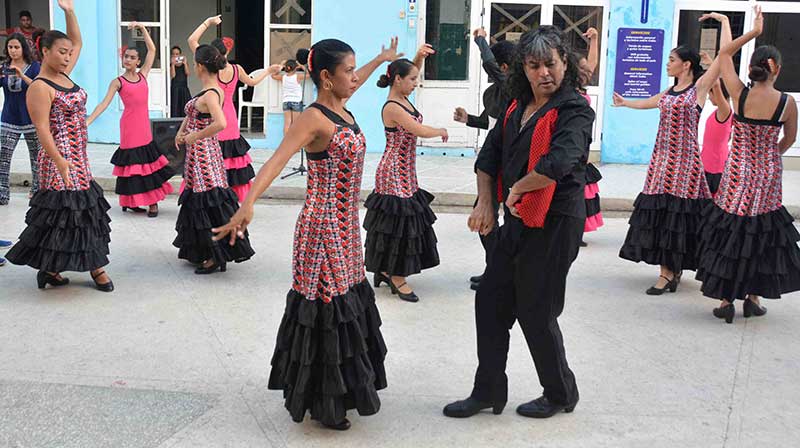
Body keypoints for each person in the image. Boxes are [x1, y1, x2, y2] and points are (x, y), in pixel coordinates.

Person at [212, 37, 401, 431]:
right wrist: (247, 204)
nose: (356, 77)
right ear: (327, 78)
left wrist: (379, 58)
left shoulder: (341, 107)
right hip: (321, 228)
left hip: (347, 227)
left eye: (354, 70)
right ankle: (322, 401)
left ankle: (345, 388)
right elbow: (277, 159)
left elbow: (358, 80)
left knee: (348, 303)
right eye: (348, 71)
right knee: (327, 310)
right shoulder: (313, 118)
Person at [443, 26, 594, 420]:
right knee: (490, 301)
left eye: (551, 64)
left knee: (535, 310)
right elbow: (488, 158)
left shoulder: (575, 109)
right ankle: (488, 390)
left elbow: (558, 163)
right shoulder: (515, 107)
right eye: (534, 65)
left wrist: (516, 190)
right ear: (523, 69)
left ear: (565, 64)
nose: (544, 73)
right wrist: (486, 203)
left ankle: (561, 391)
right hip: (516, 219)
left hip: (556, 221)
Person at [696, 6, 800, 323]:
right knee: (760, 235)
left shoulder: (738, 94)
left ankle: (726, 300)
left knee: (732, 232)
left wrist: (752, 33)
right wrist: (771, 156)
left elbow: (724, 55)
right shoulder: (787, 102)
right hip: (767, 176)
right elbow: (790, 140)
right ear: (777, 69)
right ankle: (753, 298)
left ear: (753, 69)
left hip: (736, 174)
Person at [614, 13, 730, 295]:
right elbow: (650, 103)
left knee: (679, 219)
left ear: (686, 64)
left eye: (671, 60)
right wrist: (625, 103)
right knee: (664, 217)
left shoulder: (699, 88)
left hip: (686, 165)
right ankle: (669, 271)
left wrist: (724, 22)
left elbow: (725, 56)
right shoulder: (669, 91)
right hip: (661, 163)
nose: (667, 64)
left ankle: (668, 274)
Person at [5, 0, 114, 293]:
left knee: (81, 211)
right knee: (68, 214)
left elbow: (77, 41)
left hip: (79, 156)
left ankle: (51, 269)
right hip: (57, 159)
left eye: (68, 54)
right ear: (44, 52)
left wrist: (69, 11)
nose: (67, 57)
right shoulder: (41, 86)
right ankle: (95, 268)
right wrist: (61, 161)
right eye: (61, 52)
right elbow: (41, 130)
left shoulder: (64, 75)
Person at [366, 54, 447, 302]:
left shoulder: (402, 97)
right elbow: (417, 130)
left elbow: (404, 71)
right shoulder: (392, 106)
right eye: (412, 79)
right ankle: (396, 276)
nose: (416, 83)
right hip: (393, 172)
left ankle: (384, 269)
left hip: (406, 170)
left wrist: (419, 58)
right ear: (398, 80)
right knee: (401, 224)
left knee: (401, 222)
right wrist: (441, 131)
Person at [172, 44, 254, 274]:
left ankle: (216, 255)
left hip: (204, 155)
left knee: (208, 202)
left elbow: (221, 123)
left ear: (199, 66)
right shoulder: (209, 90)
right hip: (199, 156)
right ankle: (202, 250)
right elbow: (192, 114)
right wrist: (182, 132)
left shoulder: (211, 93)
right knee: (201, 201)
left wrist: (194, 136)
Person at [188, 16, 281, 202]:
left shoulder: (212, 68)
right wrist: (269, 71)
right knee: (231, 159)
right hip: (230, 115)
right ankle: (232, 197)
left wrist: (208, 22)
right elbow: (253, 81)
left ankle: (213, 194)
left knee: (212, 156)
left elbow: (192, 40)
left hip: (213, 114)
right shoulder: (236, 69)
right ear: (227, 50)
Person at [87, 23, 174, 217]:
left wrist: (143, 29)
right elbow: (103, 104)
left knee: (147, 164)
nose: (128, 59)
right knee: (133, 168)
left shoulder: (143, 75)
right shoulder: (118, 82)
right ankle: (134, 201)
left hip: (143, 127)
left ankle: (152, 203)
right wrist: (87, 122)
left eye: (132, 57)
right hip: (128, 128)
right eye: (126, 56)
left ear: (138, 61)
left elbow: (152, 49)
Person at [452, 28, 514, 292]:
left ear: (502, 67)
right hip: (491, 165)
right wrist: (468, 119)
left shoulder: (514, 88)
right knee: (485, 221)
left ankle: (502, 273)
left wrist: (480, 41)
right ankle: (496, 270)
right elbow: (490, 122)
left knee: (500, 221)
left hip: (509, 164)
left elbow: (490, 65)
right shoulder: (494, 93)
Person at [0, 33, 41, 204]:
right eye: (10, 47)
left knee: (36, 157)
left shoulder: (34, 67)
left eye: (16, 47)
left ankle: (37, 192)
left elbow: (39, 87)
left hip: (31, 118)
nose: (13, 51)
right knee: (3, 156)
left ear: (23, 48)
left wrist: (21, 75)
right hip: (9, 118)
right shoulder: (3, 67)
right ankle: (2, 194)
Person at [575, 27, 603, 245]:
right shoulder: (565, 90)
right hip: (571, 144)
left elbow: (592, 63)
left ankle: (576, 230)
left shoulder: (580, 88)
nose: (588, 70)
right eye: (583, 67)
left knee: (584, 191)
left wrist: (594, 40)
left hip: (583, 145)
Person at [700, 79, 732, 196]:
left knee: (712, 204)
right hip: (708, 164)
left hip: (716, 167)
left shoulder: (725, 111)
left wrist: (710, 62)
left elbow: (716, 84)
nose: (709, 98)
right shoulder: (720, 112)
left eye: (710, 94)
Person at [271, 59, 309, 136]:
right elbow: (309, 74)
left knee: (287, 123)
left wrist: (281, 66)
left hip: (286, 102)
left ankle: (286, 142)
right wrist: (301, 65)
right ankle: (294, 143)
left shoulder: (283, 77)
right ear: (296, 68)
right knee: (295, 123)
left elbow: (273, 76)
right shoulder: (298, 76)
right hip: (296, 102)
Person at [170, 46, 192, 118]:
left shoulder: (183, 64)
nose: (175, 56)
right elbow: (173, 75)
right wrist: (173, 64)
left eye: (177, 54)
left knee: (186, 107)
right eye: (173, 54)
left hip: (184, 88)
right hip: (175, 88)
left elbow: (188, 73)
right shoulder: (171, 65)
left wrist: (185, 63)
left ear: (180, 55)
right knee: (175, 107)